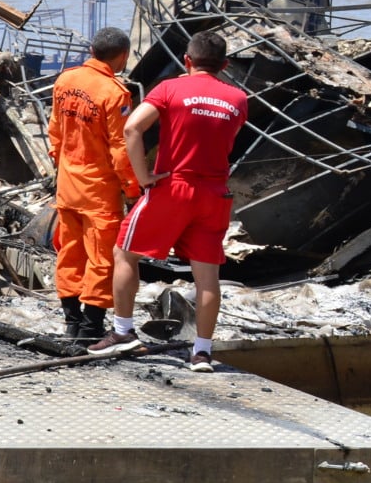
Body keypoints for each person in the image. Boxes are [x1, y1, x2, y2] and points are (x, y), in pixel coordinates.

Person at [90, 28, 251, 372]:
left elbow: (132, 128)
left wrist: (143, 176)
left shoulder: (169, 88)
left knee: (124, 253)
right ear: (224, 65)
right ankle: (202, 353)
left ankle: (122, 331)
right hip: (215, 193)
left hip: (173, 187)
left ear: (187, 60)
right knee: (207, 276)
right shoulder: (238, 99)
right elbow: (229, 136)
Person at [46, 27, 141, 341]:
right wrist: (132, 190)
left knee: (70, 254)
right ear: (123, 56)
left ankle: (72, 324)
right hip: (98, 192)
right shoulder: (115, 93)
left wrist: (62, 166)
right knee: (101, 259)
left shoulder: (65, 80)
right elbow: (121, 149)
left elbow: (55, 132)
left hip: (67, 186)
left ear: (92, 51)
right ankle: (91, 329)